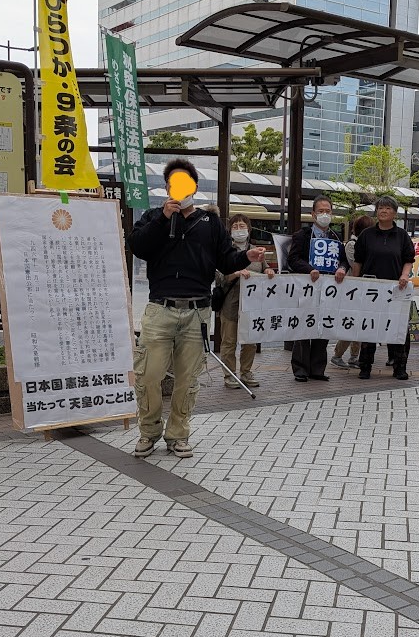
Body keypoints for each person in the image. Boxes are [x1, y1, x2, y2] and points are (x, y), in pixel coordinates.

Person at [128, 158, 266, 459]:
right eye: (174, 184)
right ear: (167, 188)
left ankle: (178, 435)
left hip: (197, 312)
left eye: (185, 183)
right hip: (160, 308)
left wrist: (247, 257)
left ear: (194, 186)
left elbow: (226, 260)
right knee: (148, 375)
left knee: (188, 379)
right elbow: (138, 246)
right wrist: (164, 218)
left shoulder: (210, 223)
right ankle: (149, 431)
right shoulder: (153, 217)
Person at [287, 195, 348, 381]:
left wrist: (342, 269)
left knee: (323, 326)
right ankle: (301, 369)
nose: (324, 214)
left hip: (328, 289)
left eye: (328, 211)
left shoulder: (335, 237)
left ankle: (317, 369)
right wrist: (309, 269)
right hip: (307, 287)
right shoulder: (302, 235)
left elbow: (344, 260)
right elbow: (293, 259)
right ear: (313, 214)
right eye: (321, 211)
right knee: (304, 326)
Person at [353, 196, 415, 381]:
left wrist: (404, 275)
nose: (383, 211)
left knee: (398, 328)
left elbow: (409, 260)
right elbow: (358, 261)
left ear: (394, 213)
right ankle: (365, 366)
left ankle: (400, 367)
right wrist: (355, 283)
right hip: (370, 289)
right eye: (380, 207)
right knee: (369, 327)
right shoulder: (366, 235)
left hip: (395, 289)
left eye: (388, 208)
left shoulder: (402, 236)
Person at [216, 214, 274, 389]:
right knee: (229, 342)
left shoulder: (257, 250)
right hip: (230, 304)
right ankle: (229, 374)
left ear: (249, 229)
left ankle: (246, 372)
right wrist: (236, 273)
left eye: (242, 226)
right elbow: (219, 277)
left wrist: (269, 271)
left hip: (252, 305)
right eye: (235, 227)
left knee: (250, 342)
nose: (239, 230)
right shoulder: (224, 250)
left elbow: (265, 268)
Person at [330, 214, 375, 370]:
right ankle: (338, 355)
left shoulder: (366, 243)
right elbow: (355, 264)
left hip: (363, 289)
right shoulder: (352, 244)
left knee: (360, 324)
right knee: (352, 323)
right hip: (353, 290)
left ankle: (354, 356)